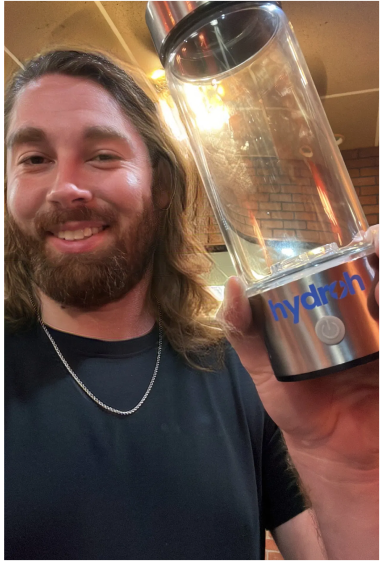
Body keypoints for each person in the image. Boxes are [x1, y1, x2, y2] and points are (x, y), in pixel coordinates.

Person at [4, 50, 379, 561]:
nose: (65, 186)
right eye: (34, 159)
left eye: (102, 155)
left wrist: (357, 473)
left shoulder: (252, 375)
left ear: (160, 184)